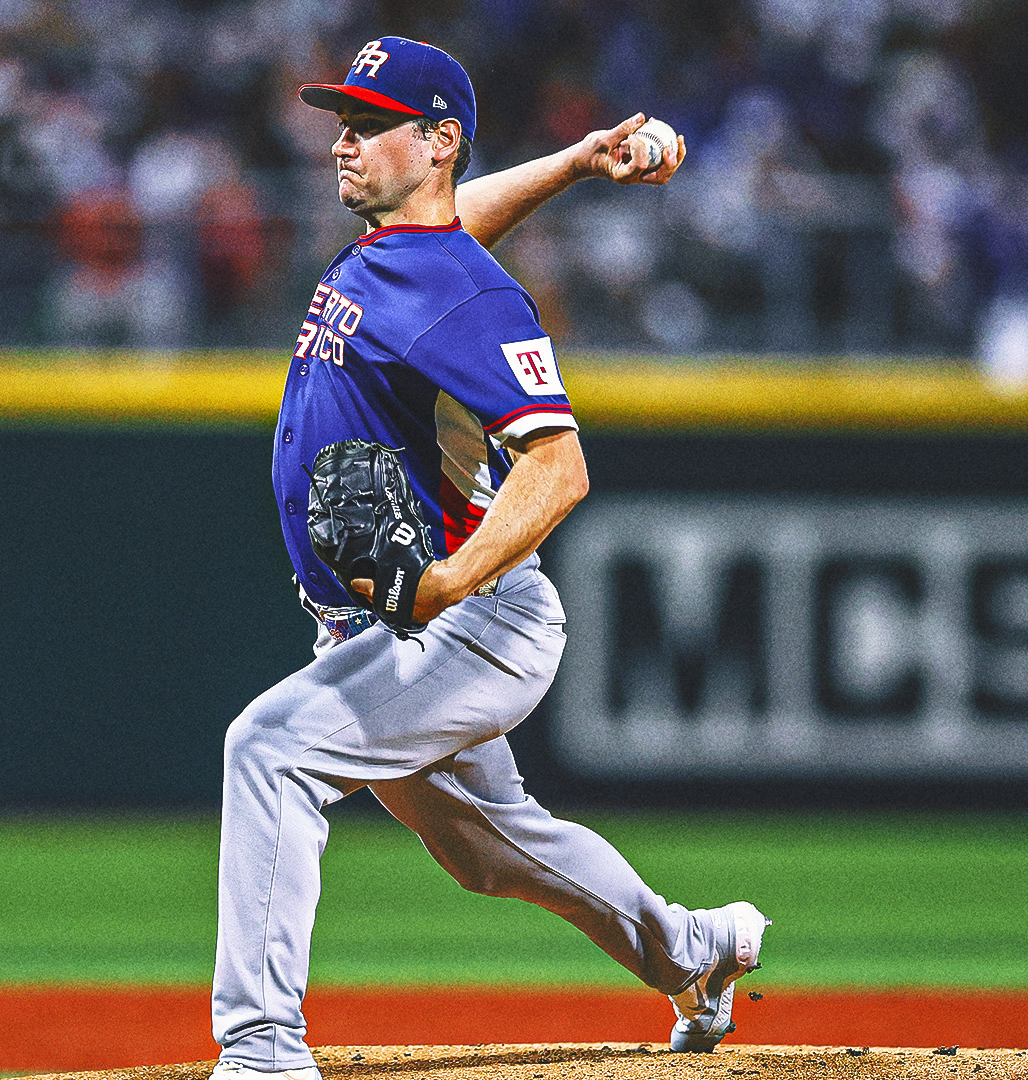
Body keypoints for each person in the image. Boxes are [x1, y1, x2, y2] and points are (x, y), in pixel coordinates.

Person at [211, 37, 769, 1080]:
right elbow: (455, 225)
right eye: (343, 120)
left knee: (269, 748)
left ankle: (260, 1055)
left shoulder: (469, 298)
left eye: (370, 124)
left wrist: (446, 586)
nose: (344, 141)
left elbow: (559, 470)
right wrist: (570, 163)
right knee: (490, 850)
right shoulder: (402, 249)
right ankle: (697, 951)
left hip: (473, 621)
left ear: (440, 140)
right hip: (387, 623)